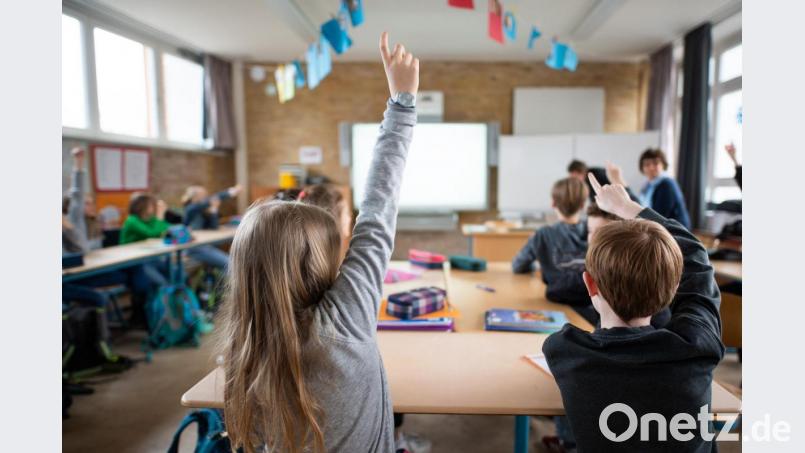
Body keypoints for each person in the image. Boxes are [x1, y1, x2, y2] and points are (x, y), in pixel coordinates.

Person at [217, 32, 421, 453]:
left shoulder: (244, 344)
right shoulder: (343, 321)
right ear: (318, 262)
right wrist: (401, 102)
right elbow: (379, 209)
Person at [543, 173, 724, 452]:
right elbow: (697, 258)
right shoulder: (698, 345)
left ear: (589, 283)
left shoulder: (564, 351)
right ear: (675, 286)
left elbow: (695, 260)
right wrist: (628, 208)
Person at [512, 177, 588, 285]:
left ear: (553, 203)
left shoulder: (542, 235)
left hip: (556, 298)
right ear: (582, 205)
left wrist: (536, 266)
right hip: (592, 300)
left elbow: (518, 266)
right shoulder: (597, 232)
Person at [181, 184, 242, 272]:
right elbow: (210, 201)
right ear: (194, 198)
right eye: (202, 196)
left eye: (205, 195)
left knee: (231, 262)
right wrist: (230, 192)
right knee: (230, 264)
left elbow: (214, 227)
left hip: (206, 244)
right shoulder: (190, 208)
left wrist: (214, 209)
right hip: (195, 247)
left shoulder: (205, 209)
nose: (206, 198)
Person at [637, 148, 692, 229]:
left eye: (655, 163)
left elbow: (658, 215)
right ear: (642, 168)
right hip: (664, 228)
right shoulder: (647, 186)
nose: (651, 167)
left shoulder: (666, 184)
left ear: (663, 165)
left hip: (676, 232)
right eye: (647, 164)